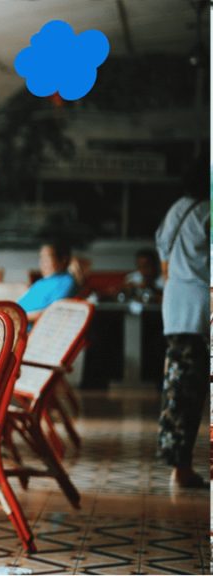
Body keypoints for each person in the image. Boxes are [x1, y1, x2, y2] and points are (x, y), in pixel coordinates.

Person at [154, 179, 209, 489]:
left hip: (176, 306)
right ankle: (181, 468)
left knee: (180, 389)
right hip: (201, 306)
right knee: (190, 390)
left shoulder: (180, 208)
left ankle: (180, 464)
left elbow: (163, 255)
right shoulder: (207, 211)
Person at [17, 239, 78, 323]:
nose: (42, 263)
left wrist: (16, 317)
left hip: (27, 329)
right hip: (16, 320)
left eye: (47, 258)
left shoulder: (66, 282)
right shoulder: (41, 282)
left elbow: (52, 313)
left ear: (63, 260)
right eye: (41, 258)